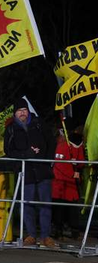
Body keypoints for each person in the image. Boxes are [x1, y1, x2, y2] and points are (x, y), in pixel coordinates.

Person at [3, 98, 57, 248]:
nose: (22, 113)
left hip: (43, 170)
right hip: (25, 171)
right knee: (27, 204)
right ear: (15, 113)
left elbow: (51, 142)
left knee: (45, 204)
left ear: (28, 111)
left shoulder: (39, 124)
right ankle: (31, 235)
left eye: (24, 110)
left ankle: (45, 236)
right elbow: (9, 151)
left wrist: (47, 160)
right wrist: (26, 154)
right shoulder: (10, 129)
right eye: (19, 111)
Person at [52, 120, 85, 240]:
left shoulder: (70, 145)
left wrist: (76, 167)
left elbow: (80, 161)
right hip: (63, 182)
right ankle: (61, 230)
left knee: (70, 209)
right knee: (62, 208)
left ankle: (71, 230)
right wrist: (73, 173)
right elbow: (60, 164)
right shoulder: (66, 145)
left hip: (68, 182)